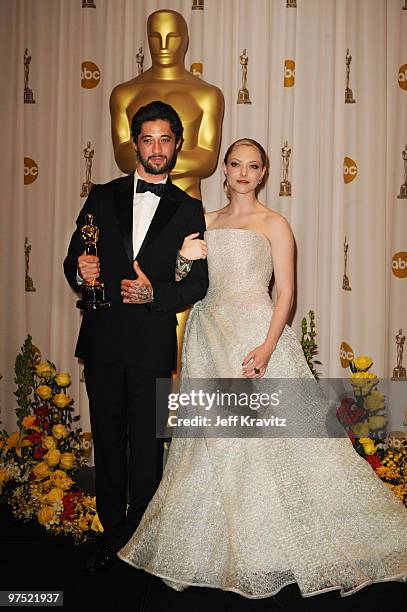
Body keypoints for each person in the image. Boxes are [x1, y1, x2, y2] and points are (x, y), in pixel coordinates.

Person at [118, 138, 407, 598]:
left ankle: (273, 548)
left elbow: (286, 294)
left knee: (276, 441)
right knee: (212, 442)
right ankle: (223, 548)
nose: (244, 173)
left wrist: (269, 345)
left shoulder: (275, 223)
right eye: (236, 164)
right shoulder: (203, 221)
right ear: (226, 170)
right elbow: (182, 282)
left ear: (264, 172)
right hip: (207, 334)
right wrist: (180, 258)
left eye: (254, 166)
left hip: (255, 337)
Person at [64, 100, 208, 575]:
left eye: (165, 139)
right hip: (103, 340)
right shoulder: (101, 196)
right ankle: (113, 537)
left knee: (149, 445)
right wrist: (82, 272)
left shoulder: (190, 209)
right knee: (107, 442)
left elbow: (198, 282)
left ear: (178, 145)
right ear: (134, 145)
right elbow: (74, 261)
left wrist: (155, 292)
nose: (157, 148)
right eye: (148, 139)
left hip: (151, 344)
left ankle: (144, 545)